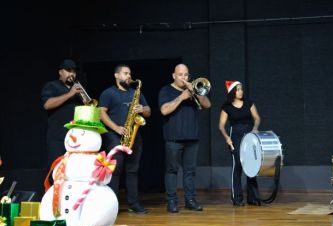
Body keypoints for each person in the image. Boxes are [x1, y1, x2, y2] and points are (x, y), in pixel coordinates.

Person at [158, 64, 211, 213]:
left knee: (190, 172)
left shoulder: (193, 90)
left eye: (186, 75)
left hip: (192, 138)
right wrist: (181, 97)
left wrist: (196, 92)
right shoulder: (166, 90)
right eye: (180, 75)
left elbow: (207, 104)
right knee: (172, 171)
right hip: (173, 139)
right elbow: (164, 110)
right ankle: (172, 202)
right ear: (174, 76)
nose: (183, 78)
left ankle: (190, 200)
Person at [99, 64, 151, 214]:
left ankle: (133, 203)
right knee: (115, 171)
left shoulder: (136, 92)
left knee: (133, 171)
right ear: (116, 75)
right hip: (114, 136)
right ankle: (112, 205)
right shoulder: (108, 93)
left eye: (129, 74)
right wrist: (116, 128)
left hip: (134, 136)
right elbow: (101, 113)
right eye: (125, 73)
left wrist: (143, 109)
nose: (128, 76)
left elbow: (148, 111)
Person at [218, 80, 262, 206]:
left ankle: (253, 198)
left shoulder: (249, 103)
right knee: (238, 165)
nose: (241, 91)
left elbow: (257, 117)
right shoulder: (226, 107)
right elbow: (221, 125)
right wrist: (226, 137)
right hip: (235, 136)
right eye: (237, 89)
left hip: (249, 134)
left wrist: (255, 127)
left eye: (241, 89)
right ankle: (236, 198)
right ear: (232, 92)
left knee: (251, 166)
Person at [41, 59, 83, 167]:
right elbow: (47, 105)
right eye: (68, 70)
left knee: (73, 170)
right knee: (56, 170)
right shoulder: (52, 85)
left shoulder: (79, 89)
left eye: (74, 71)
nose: (72, 74)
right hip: (57, 138)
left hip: (76, 137)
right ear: (60, 72)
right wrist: (70, 94)